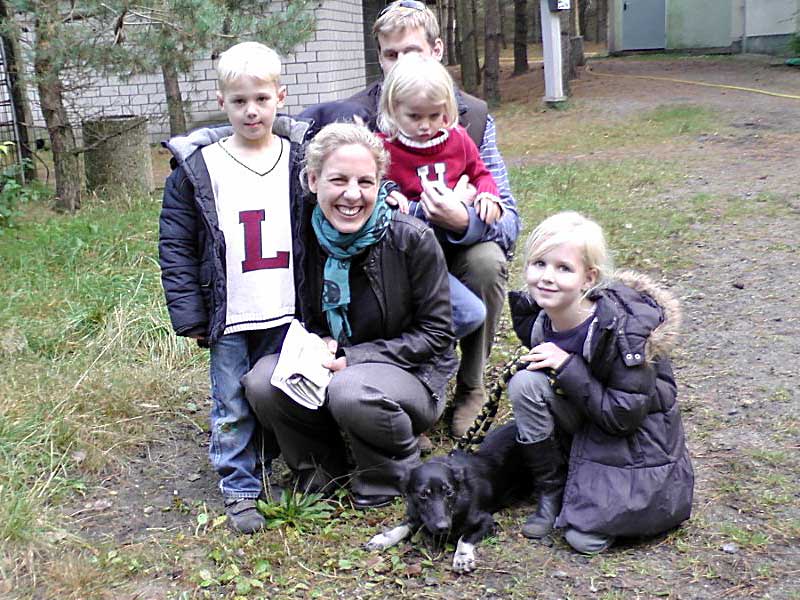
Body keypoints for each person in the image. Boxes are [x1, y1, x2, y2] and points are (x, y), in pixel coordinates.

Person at [300, 0, 521, 437]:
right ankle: (391, 378)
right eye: (391, 54)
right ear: (378, 57)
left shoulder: (470, 118)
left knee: (487, 260)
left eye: (412, 51)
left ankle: (471, 386)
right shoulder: (357, 116)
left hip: (452, 249)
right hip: (387, 252)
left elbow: (509, 220)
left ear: (436, 50)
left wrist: (464, 219)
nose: (400, 63)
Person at [242, 122, 459, 509]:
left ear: (380, 185)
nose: (353, 194)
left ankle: (388, 475)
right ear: (313, 181)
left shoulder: (411, 238)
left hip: (412, 375)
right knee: (263, 381)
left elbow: (437, 335)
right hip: (328, 363)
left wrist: (354, 357)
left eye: (365, 182)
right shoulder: (298, 235)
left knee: (350, 388)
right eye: (338, 180)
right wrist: (316, 341)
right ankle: (320, 471)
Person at [159, 42, 311, 534]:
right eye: (240, 100)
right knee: (231, 403)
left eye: (262, 99)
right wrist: (190, 313)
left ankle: (268, 470)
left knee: (276, 395)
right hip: (230, 311)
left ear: (280, 97)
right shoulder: (201, 166)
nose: (252, 111)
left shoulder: (300, 160)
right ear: (221, 101)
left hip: (286, 307)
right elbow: (177, 244)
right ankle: (240, 487)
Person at [507, 211, 694, 554]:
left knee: (583, 539)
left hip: (631, 433)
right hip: (587, 411)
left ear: (588, 278)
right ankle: (551, 490)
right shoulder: (538, 317)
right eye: (539, 264)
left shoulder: (623, 331)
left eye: (564, 268)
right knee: (525, 384)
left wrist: (568, 366)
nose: (547, 277)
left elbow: (624, 417)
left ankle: (589, 487)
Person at [377, 53, 498, 340]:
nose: (425, 126)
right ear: (393, 108)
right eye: (414, 116)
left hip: (452, 246)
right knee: (449, 314)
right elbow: (373, 183)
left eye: (434, 116)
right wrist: (388, 191)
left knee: (470, 314)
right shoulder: (383, 147)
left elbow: (481, 174)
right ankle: (418, 345)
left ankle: (432, 346)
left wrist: (487, 195)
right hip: (409, 255)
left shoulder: (458, 139)